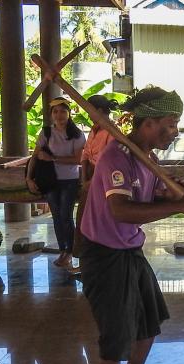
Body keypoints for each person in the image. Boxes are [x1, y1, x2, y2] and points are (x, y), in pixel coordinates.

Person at [79, 87, 184, 364]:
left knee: (149, 323)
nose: (175, 132)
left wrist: (172, 195)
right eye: (171, 125)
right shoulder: (115, 159)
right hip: (104, 255)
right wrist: (180, 208)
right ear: (148, 123)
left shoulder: (145, 157)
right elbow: (121, 210)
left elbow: (145, 198)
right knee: (114, 342)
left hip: (128, 248)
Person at [26, 96, 86, 269]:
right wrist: (29, 178)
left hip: (69, 180)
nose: (59, 115)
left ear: (69, 113)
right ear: (51, 114)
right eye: (56, 112)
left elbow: (78, 160)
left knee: (66, 216)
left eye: (63, 111)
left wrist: (52, 158)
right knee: (57, 217)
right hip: (51, 180)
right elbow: (35, 156)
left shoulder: (76, 134)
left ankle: (73, 250)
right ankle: (64, 250)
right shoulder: (46, 132)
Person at [72, 95, 118, 266]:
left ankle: (98, 260)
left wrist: (92, 181)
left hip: (102, 179)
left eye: (89, 109)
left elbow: (108, 160)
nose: (87, 113)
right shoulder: (94, 129)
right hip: (90, 177)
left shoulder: (111, 131)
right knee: (84, 218)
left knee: (98, 219)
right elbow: (85, 154)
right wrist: (85, 178)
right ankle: (85, 259)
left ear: (98, 110)